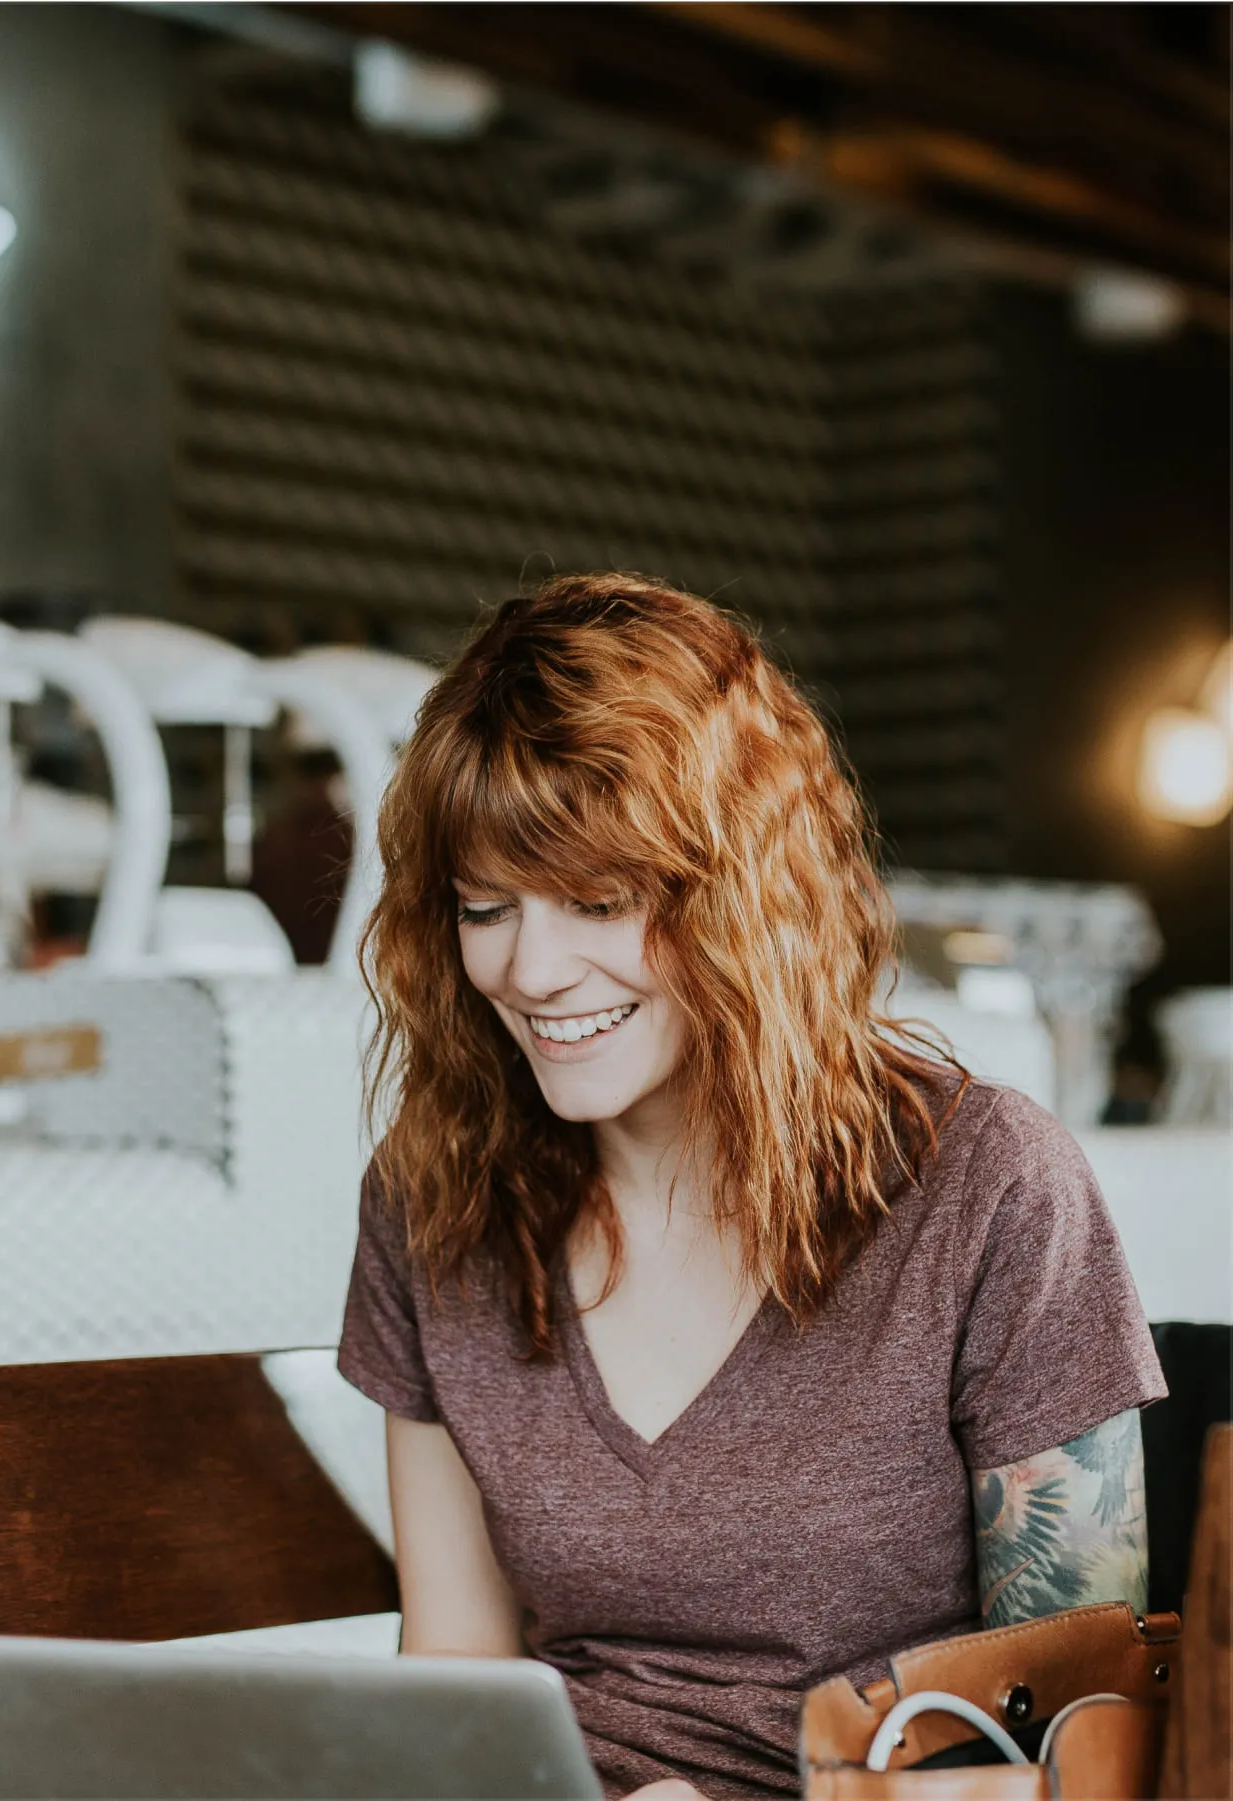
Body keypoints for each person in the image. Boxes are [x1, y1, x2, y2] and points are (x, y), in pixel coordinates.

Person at [336, 573, 1166, 1800]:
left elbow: (1093, 1748)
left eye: (601, 901)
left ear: (743, 897)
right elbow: (453, 1682)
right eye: (484, 906)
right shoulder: (434, 1201)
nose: (531, 968)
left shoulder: (988, 1188)